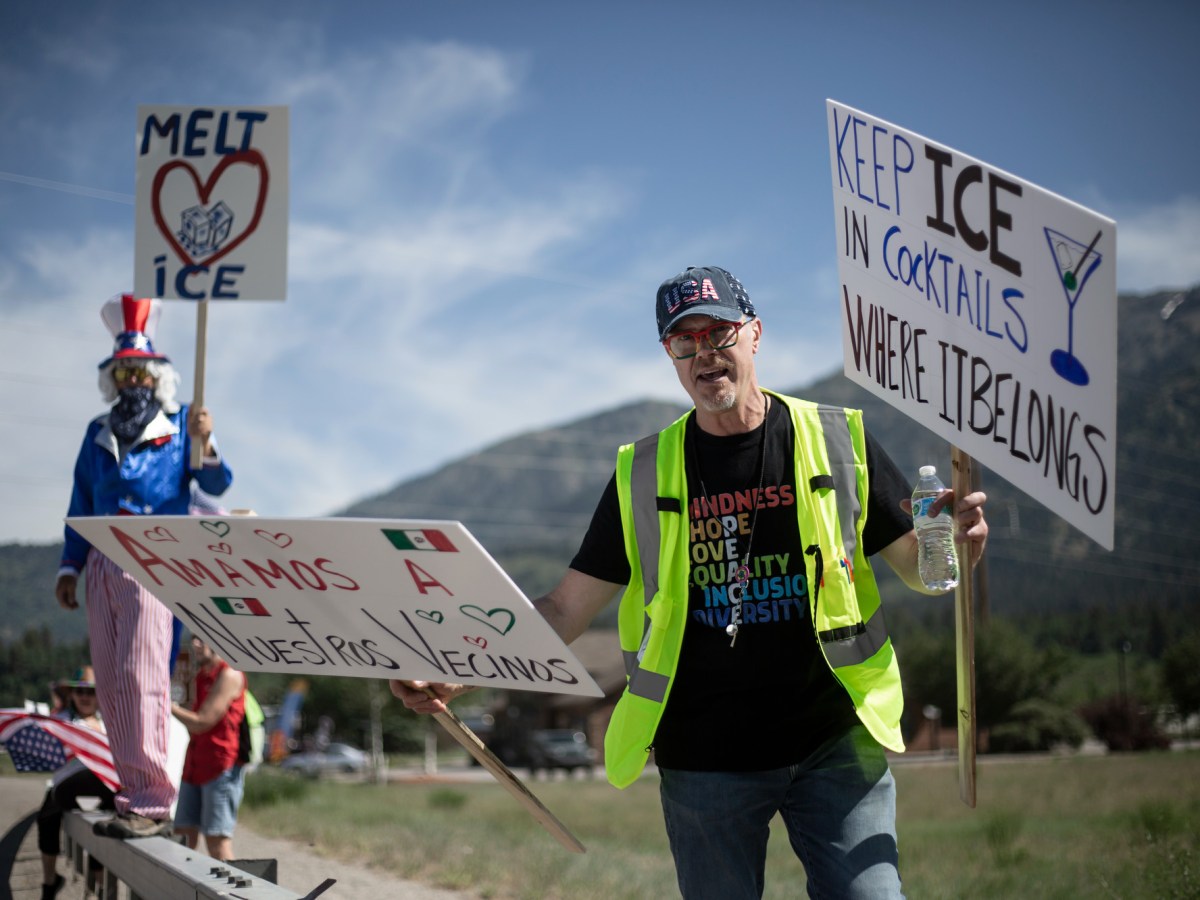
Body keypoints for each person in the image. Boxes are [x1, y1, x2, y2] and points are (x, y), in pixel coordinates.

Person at [392, 266, 989, 899]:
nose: (704, 352)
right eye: (684, 341)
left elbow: (926, 572)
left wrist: (960, 547)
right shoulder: (642, 472)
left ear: (754, 334)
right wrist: (461, 665)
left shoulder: (838, 439)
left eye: (719, 332)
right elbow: (566, 608)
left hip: (832, 742)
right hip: (706, 760)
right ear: (669, 356)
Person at [54, 292, 233, 840]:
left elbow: (218, 484)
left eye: (141, 371)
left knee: (144, 675)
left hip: (156, 557)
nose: (134, 380)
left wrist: (207, 442)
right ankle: (130, 793)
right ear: (115, 376)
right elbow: (82, 499)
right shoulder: (97, 432)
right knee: (110, 681)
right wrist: (70, 565)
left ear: (157, 376)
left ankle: (154, 799)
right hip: (105, 558)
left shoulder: (181, 427)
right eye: (125, 371)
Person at [36, 666, 115, 900]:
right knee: (47, 816)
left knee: (107, 823)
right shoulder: (59, 720)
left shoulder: (110, 725)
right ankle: (49, 880)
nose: (85, 697)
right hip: (65, 787)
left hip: (101, 788)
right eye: (80, 692)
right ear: (71, 694)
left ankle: (97, 886)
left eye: (91, 692)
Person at [170, 634, 248, 860]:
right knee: (183, 837)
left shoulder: (229, 674)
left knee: (217, 842)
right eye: (193, 638)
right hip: (194, 765)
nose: (195, 644)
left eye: (202, 638)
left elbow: (203, 721)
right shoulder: (200, 676)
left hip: (220, 766)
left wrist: (167, 705)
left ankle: (234, 896)